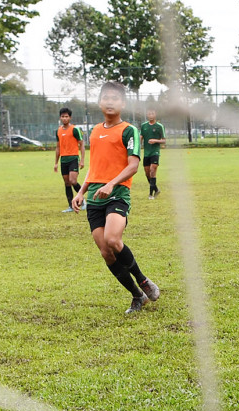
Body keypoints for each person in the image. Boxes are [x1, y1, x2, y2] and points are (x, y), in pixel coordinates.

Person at [71, 81, 160, 314]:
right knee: (105, 252)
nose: (110, 101)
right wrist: (81, 192)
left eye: (115, 98)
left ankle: (143, 280)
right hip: (95, 197)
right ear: (100, 102)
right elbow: (94, 166)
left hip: (118, 193)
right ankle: (137, 296)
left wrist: (111, 184)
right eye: (105, 97)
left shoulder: (129, 130)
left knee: (112, 239)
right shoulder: (95, 131)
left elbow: (133, 165)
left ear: (123, 103)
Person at [54, 107, 85, 212]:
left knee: (73, 181)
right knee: (67, 183)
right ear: (60, 117)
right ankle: (70, 206)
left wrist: (82, 160)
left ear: (70, 118)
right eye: (62, 116)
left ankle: (83, 200)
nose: (64, 118)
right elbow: (58, 147)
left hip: (73, 158)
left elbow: (82, 144)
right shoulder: (58, 130)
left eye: (66, 116)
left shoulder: (74, 129)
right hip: (63, 160)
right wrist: (56, 163)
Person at [140, 108, 166, 200]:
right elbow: (141, 137)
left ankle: (151, 194)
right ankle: (156, 189)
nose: (150, 115)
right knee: (147, 174)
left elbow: (164, 140)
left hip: (155, 152)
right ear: (147, 115)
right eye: (149, 113)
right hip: (146, 153)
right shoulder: (144, 126)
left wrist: (155, 140)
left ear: (155, 115)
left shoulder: (159, 126)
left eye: (152, 113)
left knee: (152, 170)